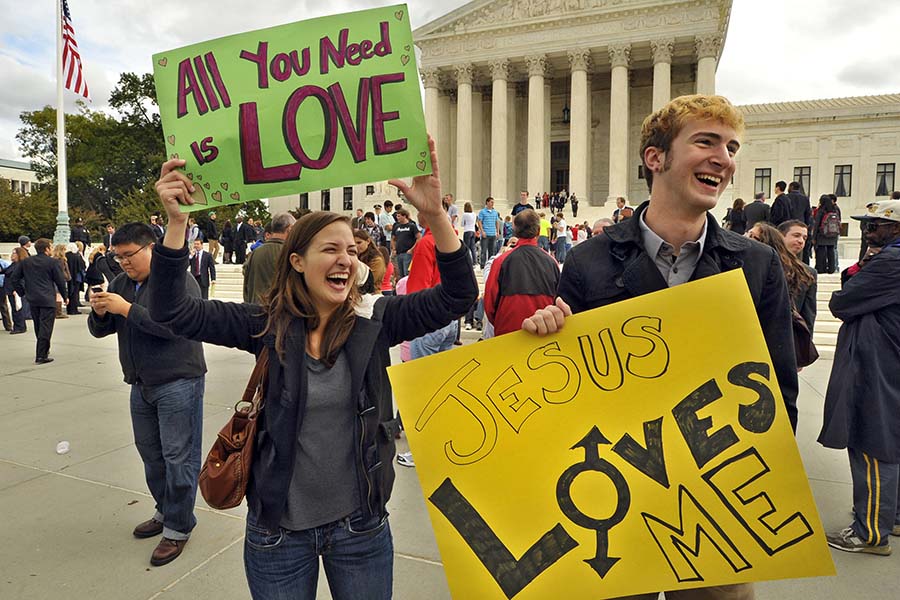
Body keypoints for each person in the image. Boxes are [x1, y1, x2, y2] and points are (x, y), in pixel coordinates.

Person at [150, 137, 476, 599]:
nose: (346, 258)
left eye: (351, 251)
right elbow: (173, 312)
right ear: (298, 261)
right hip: (279, 535)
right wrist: (177, 224)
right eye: (330, 249)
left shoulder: (376, 321)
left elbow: (458, 297)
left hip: (360, 529)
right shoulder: (266, 326)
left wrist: (435, 216)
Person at [522, 94, 798, 600]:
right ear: (656, 158)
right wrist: (544, 335)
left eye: (731, 146)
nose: (725, 158)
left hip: (718, 498)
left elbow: (779, 386)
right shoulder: (588, 261)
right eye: (706, 141)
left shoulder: (756, 265)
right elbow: (563, 389)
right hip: (620, 492)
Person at [88, 222, 207, 567]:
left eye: (129, 255)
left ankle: (179, 528)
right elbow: (104, 330)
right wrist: (100, 313)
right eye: (117, 256)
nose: (123, 263)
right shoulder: (121, 284)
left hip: (178, 380)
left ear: (151, 248)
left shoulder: (178, 281)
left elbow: (175, 327)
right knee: (151, 455)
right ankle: (165, 509)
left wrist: (125, 308)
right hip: (140, 383)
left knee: (178, 456)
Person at [819, 199, 900, 556]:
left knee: (871, 443)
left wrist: (864, 268)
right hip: (885, 362)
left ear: (895, 229)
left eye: (874, 225)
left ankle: (870, 532)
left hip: (876, 365)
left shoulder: (891, 262)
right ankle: (891, 517)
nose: (867, 231)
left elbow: (842, 302)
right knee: (889, 441)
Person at [484, 209, 560, 337]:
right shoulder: (552, 262)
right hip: (542, 333)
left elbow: (489, 302)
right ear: (538, 231)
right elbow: (558, 299)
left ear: (515, 230)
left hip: (507, 331)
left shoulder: (501, 261)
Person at [747, 222, 817, 341]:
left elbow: (808, 315)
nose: (801, 241)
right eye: (796, 235)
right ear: (780, 236)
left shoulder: (808, 273)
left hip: (784, 339)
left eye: (804, 238)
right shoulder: (757, 266)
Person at [9, 238, 67, 363]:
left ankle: (43, 349)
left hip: (32, 297)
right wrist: (64, 295)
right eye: (50, 247)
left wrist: (22, 291)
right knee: (46, 326)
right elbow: (60, 281)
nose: (51, 249)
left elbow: (14, 278)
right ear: (46, 249)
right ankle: (41, 354)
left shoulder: (26, 262)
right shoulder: (53, 262)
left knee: (38, 325)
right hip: (47, 298)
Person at [242, 212, 296, 304]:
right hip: (280, 311)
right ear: (289, 229)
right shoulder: (290, 254)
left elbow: (246, 284)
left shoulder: (255, 252)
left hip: (254, 309)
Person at [811, 194, 840, 274]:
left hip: (822, 234)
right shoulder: (835, 210)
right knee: (831, 251)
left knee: (821, 251)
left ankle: (821, 268)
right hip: (833, 234)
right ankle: (831, 268)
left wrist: (814, 237)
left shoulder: (821, 210)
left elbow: (817, 224)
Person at [4, 247, 30, 334]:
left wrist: (18, 289)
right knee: (15, 308)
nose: (12, 255)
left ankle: (19, 327)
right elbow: (6, 271)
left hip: (16, 290)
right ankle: (18, 326)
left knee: (17, 309)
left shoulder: (20, 265)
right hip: (11, 289)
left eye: (14, 253)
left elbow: (21, 278)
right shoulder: (14, 264)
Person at [354, 229, 386, 295]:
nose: (356, 246)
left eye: (359, 243)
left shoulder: (377, 260)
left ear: (368, 241)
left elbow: (369, 281)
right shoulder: (356, 257)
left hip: (372, 295)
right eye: (353, 244)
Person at [391, 209, 420, 279]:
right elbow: (393, 238)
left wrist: (412, 249)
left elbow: (419, 238)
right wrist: (394, 249)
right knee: (400, 274)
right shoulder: (396, 227)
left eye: (399, 216)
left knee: (406, 273)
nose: (397, 218)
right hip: (398, 253)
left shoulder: (412, 226)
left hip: (407, 253)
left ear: (404, 216)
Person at [477, 197, 502, 268]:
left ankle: (490, 265)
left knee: (492, 251)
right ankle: (482, 265)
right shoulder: (482, 212)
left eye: (493, 202)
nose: (492, 204)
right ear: (487, 202)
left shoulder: (495, 212)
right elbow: (479, 222)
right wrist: (482, 231)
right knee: (483, 251)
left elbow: (497, 222)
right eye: (491, 202)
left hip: (493, 234)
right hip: (485, 234)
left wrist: (497, 232)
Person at [65, 242, 86, 314]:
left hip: (68, 276)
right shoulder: (76, 256)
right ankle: (74, 309)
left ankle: (69, 309)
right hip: (76, 277)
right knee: (75, 293)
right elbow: (82, 266)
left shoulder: (66, 256)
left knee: (69, 293)